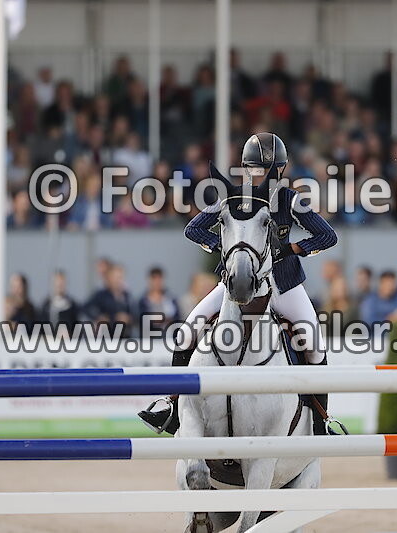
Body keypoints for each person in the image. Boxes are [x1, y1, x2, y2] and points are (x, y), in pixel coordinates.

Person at [138, 132, 339, 436]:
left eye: (268, 170)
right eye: (255, 169)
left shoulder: (290, 200)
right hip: (236, 284)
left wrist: (289, 249)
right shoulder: (233, 199)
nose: (261, 176)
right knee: (187, 331)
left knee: (313, 343)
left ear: (280, 170)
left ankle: (322, 421)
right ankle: (171, 405)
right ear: (245, 169)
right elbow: (193, 229)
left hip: (283, 284)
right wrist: (232, 251)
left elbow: (327, 236)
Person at [137, 267, 180, 334]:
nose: (157, 282)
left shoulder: (171, 299)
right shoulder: (143, 301)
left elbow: (177, 318)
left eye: (159, 278)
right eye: (154, 278)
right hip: (150, 336)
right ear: (149, 280)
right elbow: (141, 320)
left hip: (170, 335)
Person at [40, 270, 80, 335]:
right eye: (57, 282)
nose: (59, 285)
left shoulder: (72, 306)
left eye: (62, 283)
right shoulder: (46, 306)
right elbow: (40, 329)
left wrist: (69, 333)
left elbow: (77, 329)